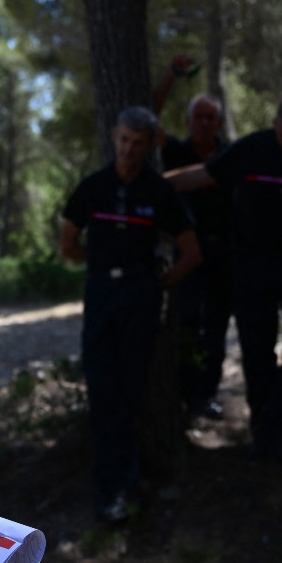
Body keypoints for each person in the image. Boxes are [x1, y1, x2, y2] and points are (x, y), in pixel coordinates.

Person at [168, 94, 282, 470]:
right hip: (251, 265)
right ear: (275, 124)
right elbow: (201, 175)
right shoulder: (252, 149)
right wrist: (150, 182)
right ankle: (264, 434)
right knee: (257, 351)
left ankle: (278, 424)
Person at [60, 106, 200, 523]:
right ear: (114, 137)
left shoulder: (159, 192)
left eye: (139, 143)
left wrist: (158, 284)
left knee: (132, 391)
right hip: (102, 291)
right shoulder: (93, 188)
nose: (129, 149)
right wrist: (103, 263)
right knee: (102, 388)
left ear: (150, 144)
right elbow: (67, 244)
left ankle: (127, 485)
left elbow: (192, 253)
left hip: (141, 296)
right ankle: (112, 489)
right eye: (124, 140)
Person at [153, 53, 232, 420]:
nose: (203, 123)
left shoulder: (232, 157)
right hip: (187, 257)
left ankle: (206, 396)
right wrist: (170, 76)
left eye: (210, 117)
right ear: (187, 121)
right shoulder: (176, 152)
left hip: (223, 256)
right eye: (197, 116)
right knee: (186, 324)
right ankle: (184, 395)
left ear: (218, 122)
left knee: (216, 330)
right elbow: (147, 117)